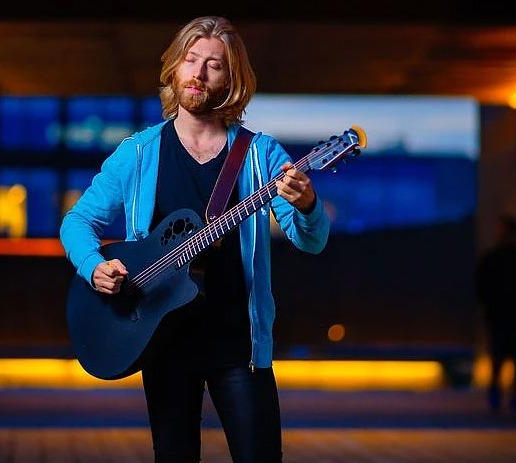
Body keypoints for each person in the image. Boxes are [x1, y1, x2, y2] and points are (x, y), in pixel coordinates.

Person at [60, 16, 329, 462]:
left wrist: (306, 205)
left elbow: (311, 241)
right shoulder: (140, 152)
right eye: (191, 60)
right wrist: (94, 266)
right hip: (162, 341)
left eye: (214, 65)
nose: (199, 73)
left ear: (232, 80)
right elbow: (78, 222)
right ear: (175, 68)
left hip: (238, 347)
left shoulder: (261, 156)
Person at [476, 215, 516, 417]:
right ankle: (507, 396)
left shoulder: (498, 259)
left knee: (505, 358)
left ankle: (501, 395)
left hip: (506, 315)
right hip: (511, 315)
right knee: (510, 358)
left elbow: (481, 287)